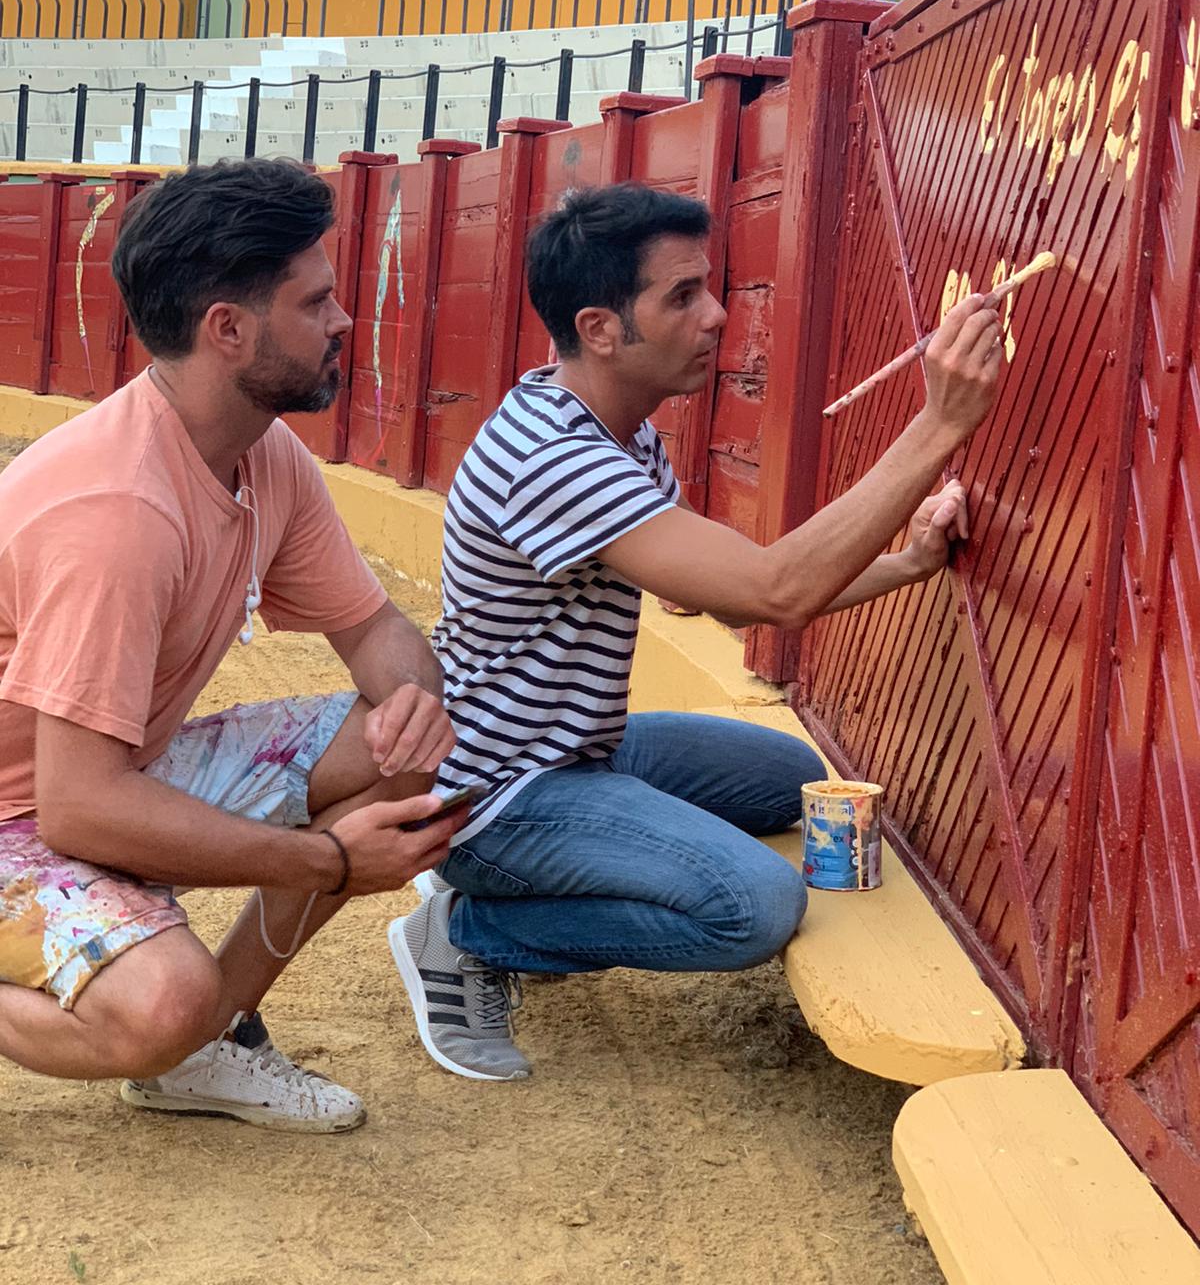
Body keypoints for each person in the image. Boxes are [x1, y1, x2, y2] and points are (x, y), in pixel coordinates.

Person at [388, 181, 1003, 1081]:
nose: (717, 315)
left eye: (707, 287)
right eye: (682, 296)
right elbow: (774, 592)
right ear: (601, 328)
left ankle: (538, 874)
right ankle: (471, 929)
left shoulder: (612, 427)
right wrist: (941, 423)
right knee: (755, 907)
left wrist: (907, 564)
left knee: (789, 781)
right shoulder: (555, 458)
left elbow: (732, 601)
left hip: (575, 748)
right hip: (501, 790)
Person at [0, 158, 468, 1132]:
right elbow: (80, 806)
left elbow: (376, 629)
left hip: (105, 772)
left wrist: (416, 700)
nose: (344, 320)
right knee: (162, 1004)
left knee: (399, 750)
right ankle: (187, 1031)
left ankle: (213, 1043)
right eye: (316, 301)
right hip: (29, 811)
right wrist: (324, 861)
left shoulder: (262, 452)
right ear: (229, 329)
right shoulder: (117, 514)